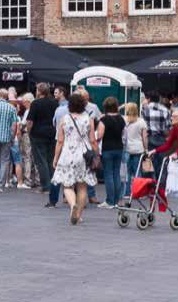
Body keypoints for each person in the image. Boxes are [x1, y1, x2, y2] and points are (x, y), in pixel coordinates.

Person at [52, 92, 99, 225]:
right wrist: (96, 154)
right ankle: (78, 215)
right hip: (83, 155)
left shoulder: (64, 119)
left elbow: (60, 141)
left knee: (67, 185)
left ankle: (73, 206)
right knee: (82, 187)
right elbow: (93, 140)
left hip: (67, 154)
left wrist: (55, 157)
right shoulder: (88, 119)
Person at [26, 83, 58, 193]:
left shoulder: (35, 103)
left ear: (39, 91)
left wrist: (29, 133)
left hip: (38, 134)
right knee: (50, 160)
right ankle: (53, 185)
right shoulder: (55, 102)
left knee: (41, 160)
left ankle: (46, 186)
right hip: (52, 133)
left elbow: (30, 121)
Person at [97, 97, 126, 208]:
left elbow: (100, 135)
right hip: (119, 148)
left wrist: (95, 141)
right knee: (116, 174)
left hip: (107, 149)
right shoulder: (121, 119)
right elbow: (123, 134)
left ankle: (109, 201)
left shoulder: (104, 120)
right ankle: (117, 200)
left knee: (108, 174)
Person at [142, 90, 171, 185]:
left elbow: (143, 127)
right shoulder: (165, 110)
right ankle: (160, 188)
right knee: (161, 165)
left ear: (149, 99)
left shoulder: (144, 109)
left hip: (149, 138)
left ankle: (149, 186)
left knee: (148, 163)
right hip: (161, 139)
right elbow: (168, 128)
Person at [123, 102, 148, 197]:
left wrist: (122, 106)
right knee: (138, 171)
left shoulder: (124, 120)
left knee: (127, 172)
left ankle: (127, 193)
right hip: (138, 149)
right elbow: (144, 137)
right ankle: (139, 192)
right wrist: (146, 149)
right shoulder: (141, 121)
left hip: (127, 149)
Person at [19, 93, 40, 189]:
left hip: (28, 134)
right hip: (36, 135)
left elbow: (24, 124)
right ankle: (38, 179)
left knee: (27, 157)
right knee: (35, 157)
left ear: (28, 101)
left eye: (24, 102)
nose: (23, 104)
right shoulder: (37, 109)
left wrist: (20, 127)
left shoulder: (29, 110)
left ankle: (28, 179)